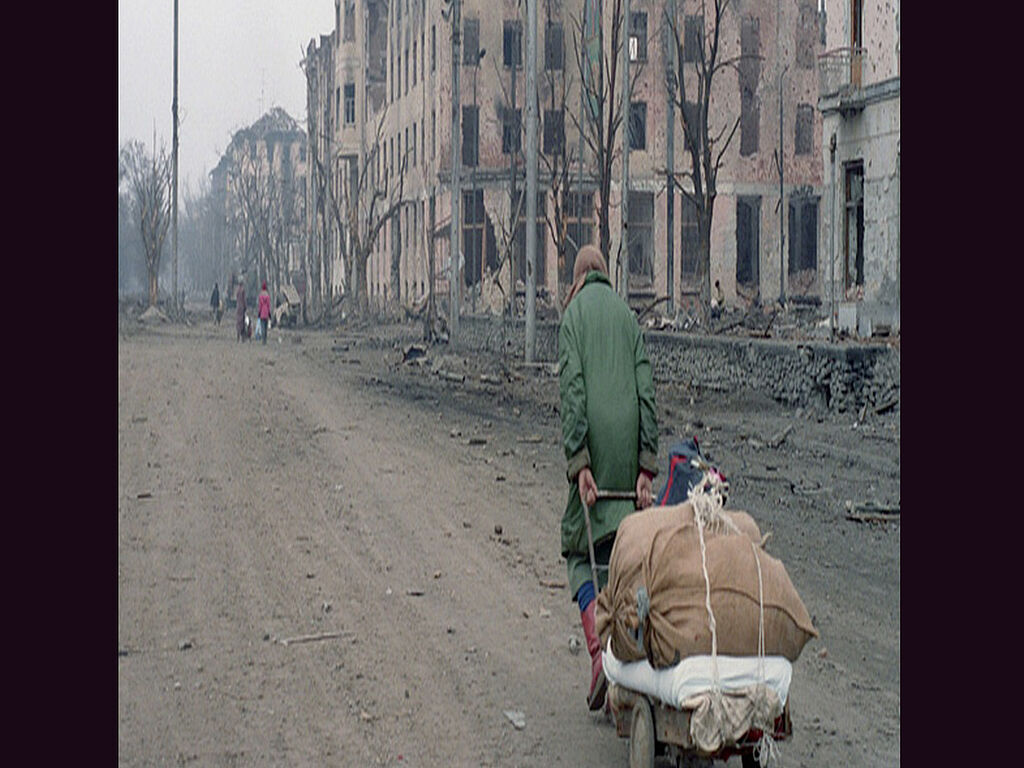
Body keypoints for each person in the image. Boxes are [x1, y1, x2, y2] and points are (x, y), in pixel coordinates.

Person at [558, 244, 659, 712]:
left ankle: (600, 655)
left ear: (577, 280)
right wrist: (645, 465)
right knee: (626, 549)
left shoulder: (573, 316)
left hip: (595, 449)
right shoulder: (627, 315)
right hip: (628, 450)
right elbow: (646, 390)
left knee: (580, 551)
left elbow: (573, 389)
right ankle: (638, 654)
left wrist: (579, 461)